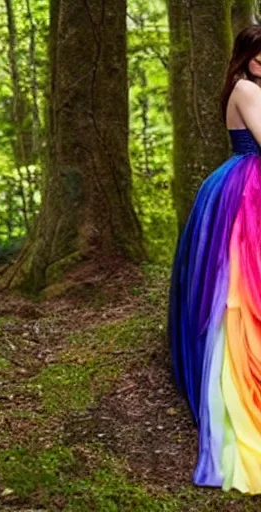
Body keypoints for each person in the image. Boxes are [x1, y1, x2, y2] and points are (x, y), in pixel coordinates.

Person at [168, 25, 261, 495]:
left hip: (244, 184)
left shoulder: (252, 88)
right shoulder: (246, 89)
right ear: (251, 60)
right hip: (247, 191)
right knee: (242, 294)